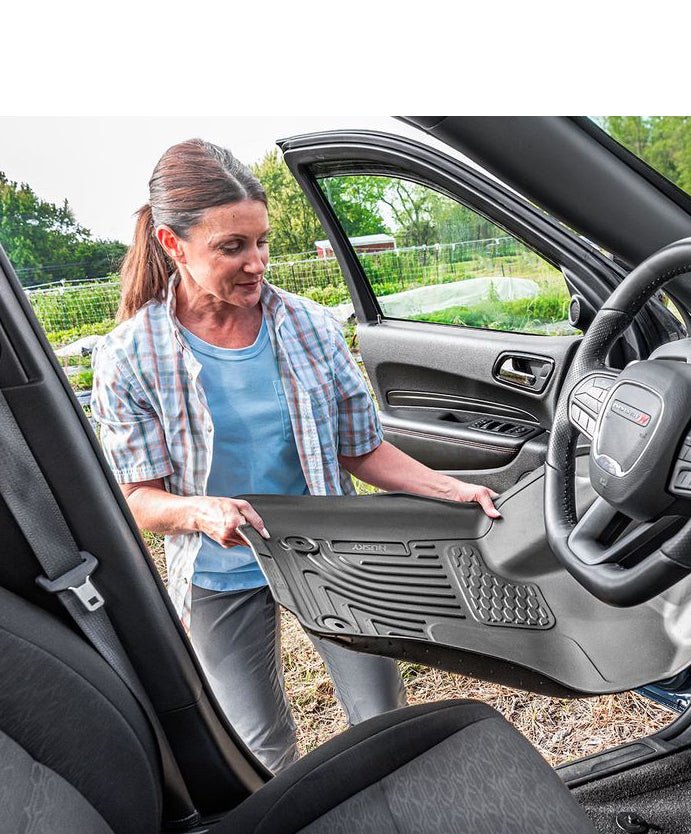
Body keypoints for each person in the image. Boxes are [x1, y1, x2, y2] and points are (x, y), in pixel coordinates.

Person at [91, 138, 501, 773]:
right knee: (258, 745)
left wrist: (452, 489)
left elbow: (361, 449)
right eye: (232, 247)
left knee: (382, 718)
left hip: (327, 554)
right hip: (220, 569)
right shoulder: (129, 357)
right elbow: (139, 499)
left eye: (261, 242)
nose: (256, 263)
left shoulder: (309, 325)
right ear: (173, 245)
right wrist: (201, 512)